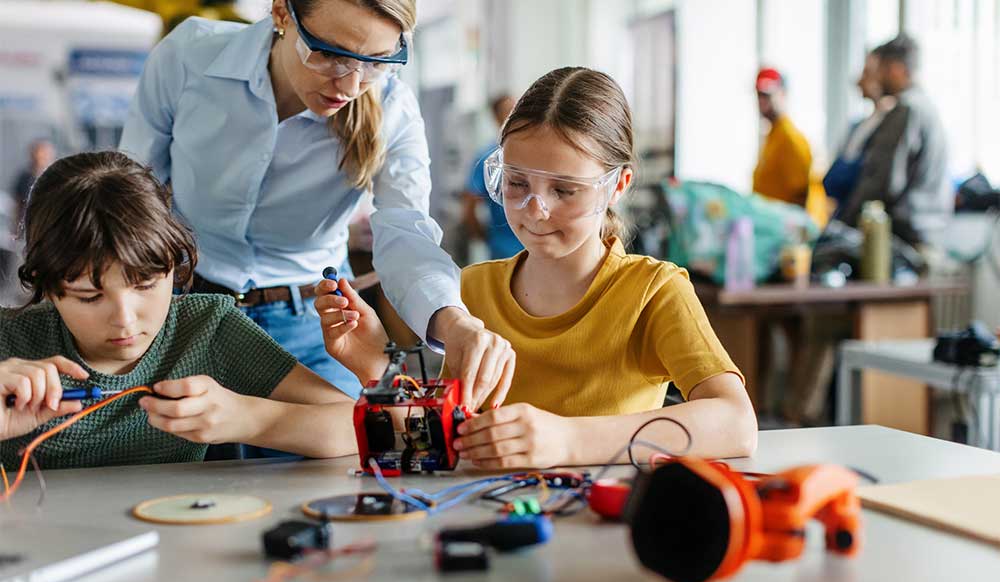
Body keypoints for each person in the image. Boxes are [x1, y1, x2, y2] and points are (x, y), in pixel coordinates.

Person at [316, 67, 758, 469]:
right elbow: (447, 440)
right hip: (493, 522)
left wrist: (566, 440)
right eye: (517, 183)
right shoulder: (469, 291)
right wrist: (378, 372)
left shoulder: (653, 292)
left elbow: (736, 424)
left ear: (617, 185)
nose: (535, 211)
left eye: (565, 190)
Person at [118, 0, 514, 434]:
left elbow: (405, 234)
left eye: (378, 62)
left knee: (330, 475)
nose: (350, 84)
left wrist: (453, 321)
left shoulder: (394, 108)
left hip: (317, 326)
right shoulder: (189, 57)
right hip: (184, 313)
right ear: (282, 14)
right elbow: (132, 194)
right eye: (329, 54)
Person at [0, 151, 361, 468]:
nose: (124, 319)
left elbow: (359, 425)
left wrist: (248, 418)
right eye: (89, 297)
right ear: (47, 285)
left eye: (145, 286)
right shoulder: (8, 342)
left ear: (175, 263)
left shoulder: (207, 327)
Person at [838, 34, 951, 246]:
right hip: (931, 230)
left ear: (896, 68)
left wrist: (843, 224)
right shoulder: (927, 106)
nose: (877, 77)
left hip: (906, 235)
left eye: (880, 69)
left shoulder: (906, 110)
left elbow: (885, 181)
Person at [823, 52, 896, 209]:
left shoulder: (891, 128)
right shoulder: (860, 125)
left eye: (867, 73)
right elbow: (832, 180)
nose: (859, 82)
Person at [462, 94, 523, 260]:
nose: (513, 114)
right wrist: (483, 236)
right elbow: (469, 205)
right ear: (496, 117)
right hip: (503, 248)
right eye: (507, 110)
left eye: (517, 108)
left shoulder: (534, 153)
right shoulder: (487, 158)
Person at [752, 68, 813, 207]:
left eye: (767, 95)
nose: (761, 101)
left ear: (783, 94)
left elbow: (802, 195)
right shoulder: (773, 136)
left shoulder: (790, 138)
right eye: (759, 95)